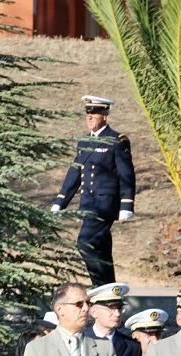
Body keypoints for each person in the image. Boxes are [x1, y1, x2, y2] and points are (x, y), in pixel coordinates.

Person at [51, 95, 136, 286]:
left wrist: (126, 205)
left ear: (105, 115)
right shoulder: (84, 142)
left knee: (85, 243)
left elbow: (126, 175)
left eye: (94, 113)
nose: (89, 116)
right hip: (88, 204)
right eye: (87, 113)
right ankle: (110, 289)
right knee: (102, 248)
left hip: (105, 205)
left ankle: (100, 286)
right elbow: (74, 172)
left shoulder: (117, 140)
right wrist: (60, 201)